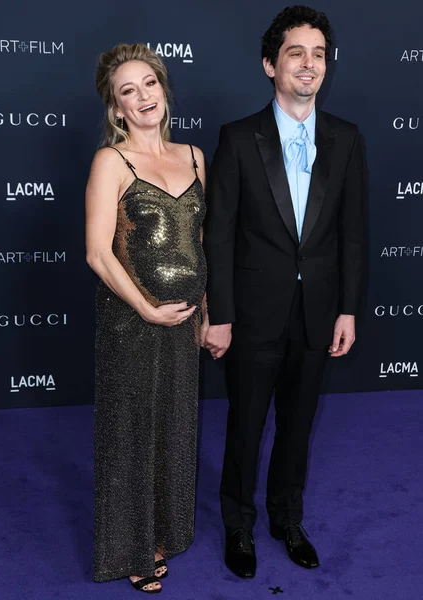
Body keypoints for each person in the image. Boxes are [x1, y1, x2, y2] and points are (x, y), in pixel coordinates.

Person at [203, 5, 365, 579]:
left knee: (298, 427)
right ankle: (239, 526)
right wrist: (218, 314)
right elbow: (218, 235)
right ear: (270, 64)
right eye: (296, 52)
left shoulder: (345, 139)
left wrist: (347, 308)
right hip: (251, 315)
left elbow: (352, 234)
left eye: (319, 54)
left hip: (318, 313)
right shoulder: (238, 138)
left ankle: (286, 519)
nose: (309, 64)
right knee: (246, 427)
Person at [85, 43, 207, 594]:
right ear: (117, 109)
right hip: (130, 322)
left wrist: (204, 311)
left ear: (163, 88)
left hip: (182, 322)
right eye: (127, 91)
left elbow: (199, 241)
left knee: (175, 428)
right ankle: (130, 548)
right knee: (131, 433)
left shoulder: (196, 155)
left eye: (149, 84)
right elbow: (97, 252)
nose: (142, 97)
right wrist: (144, 307)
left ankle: (162, 533)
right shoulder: (112, 161)